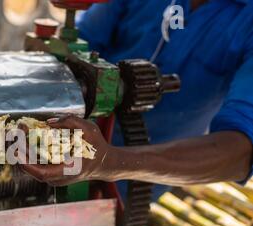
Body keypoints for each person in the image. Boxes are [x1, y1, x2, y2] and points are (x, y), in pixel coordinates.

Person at [20, 0, 253, 200]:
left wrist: (110, 162)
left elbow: (241, 151)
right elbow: (83, 42)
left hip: (142, 176)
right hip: (61, 142)